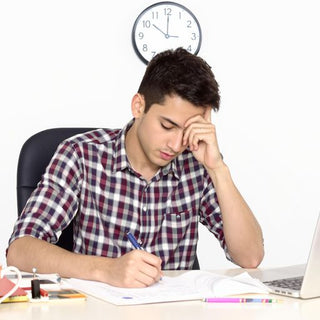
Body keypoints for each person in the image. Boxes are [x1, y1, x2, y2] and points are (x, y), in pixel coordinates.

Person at [6, 48, 264, 288]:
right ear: (138, 106)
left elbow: (250, 257)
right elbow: (20, 251)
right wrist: (107, 270)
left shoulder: (197, 164)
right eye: (167, 126)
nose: (176, 145)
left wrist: (217, 167)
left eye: (187, 132)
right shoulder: (81, 155)